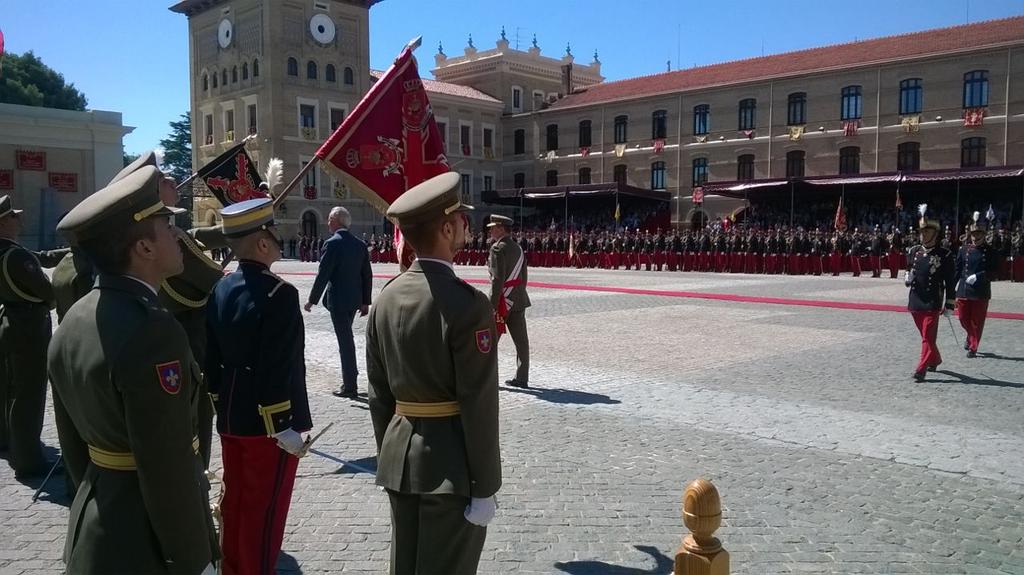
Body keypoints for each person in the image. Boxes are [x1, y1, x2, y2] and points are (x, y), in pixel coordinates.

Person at [47, 165, 219, 574]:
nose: (178, 235)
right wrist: (195, 559)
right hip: (148, 543)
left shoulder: (74, 319)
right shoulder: (152, 332)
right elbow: (167, 462)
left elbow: (73, 448)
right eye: (166, 226)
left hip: (97, 522)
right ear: (143, 248)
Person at [366, 171, 501, 575]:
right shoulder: (468, 306)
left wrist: (390, 455)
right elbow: (478, 403)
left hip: (399, 461)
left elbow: (378, 396)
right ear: (446, 228)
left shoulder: (386, 298)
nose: (467, 225)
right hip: (451, 470)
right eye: (461, 218)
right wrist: (485, 486)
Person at [206, 197, 311, 575]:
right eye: (273, 234)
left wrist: (221, 403)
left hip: (231, 415)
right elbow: (277, 365)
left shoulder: (220, 288)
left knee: (234, 503)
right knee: (264, 513)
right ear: (263, 243)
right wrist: (282, 424)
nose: (278, 241)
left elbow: (210, 357)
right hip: (267, 426)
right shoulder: (279, 294)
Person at [0, 195, 67, 478]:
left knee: (8, 388)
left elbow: (41, 258)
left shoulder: (9, 251)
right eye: (14, 216)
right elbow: (47, 293)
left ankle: (8, 440)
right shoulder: (15, 256)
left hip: (9, 320)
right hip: (28, 325)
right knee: (29, 393)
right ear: (3, 222)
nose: (19, 219)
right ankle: (28, 459)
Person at [305, 206, 372, 398]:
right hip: (354, 301)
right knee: (347, 338)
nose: (327, 222)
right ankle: (351, 378)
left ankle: (350, 385)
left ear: (335, 221)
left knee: (345, 342)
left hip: (338, 301)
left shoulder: (332, 244)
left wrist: (311, 300)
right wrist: (365, 301)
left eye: (329, 219)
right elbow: (367, 275)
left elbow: (323, 274)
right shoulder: (359, 244)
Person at [905, 205, 956, 382]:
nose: (923, 234)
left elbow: (950, 281)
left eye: (927, 231)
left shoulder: (945, 255)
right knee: (926, 336)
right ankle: (935, 359)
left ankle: (921, 368)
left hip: (932, 300)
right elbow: (909, 270)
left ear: (935, 233)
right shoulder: (914, 251)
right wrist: (907, 277)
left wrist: (950, 303)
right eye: (922, 231)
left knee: (927, 336)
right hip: (916, 300)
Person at [487, 213, 531, 388]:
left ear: (500, 228)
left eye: (492, 228)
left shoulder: (498, 248)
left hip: (502, 302)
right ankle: (522, 378)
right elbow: (524, 276)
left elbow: (497, 279)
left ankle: (488, 379)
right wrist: (518, 293)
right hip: (518, 299)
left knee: (489, 342)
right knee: (521, 342)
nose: (490, 231)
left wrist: (492, 305)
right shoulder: (518, 248)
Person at [955, 212, 999, 358]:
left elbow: (995, 272)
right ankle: (970, 335)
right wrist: (950, 288)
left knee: (976, 321)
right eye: (973, 233)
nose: (975, 237)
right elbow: (957, 270)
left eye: (978, 233)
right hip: (964, 290)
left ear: (984, 234)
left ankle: (973, 346)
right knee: (962, 318)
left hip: (980, 291)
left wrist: (979, 276)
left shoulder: (990, 251)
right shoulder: (963, 250)